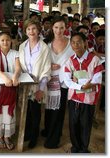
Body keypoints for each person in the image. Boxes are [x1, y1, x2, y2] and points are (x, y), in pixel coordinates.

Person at [64, 32, 104, 153]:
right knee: (73, 123)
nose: (76, 45)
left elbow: (97, 78)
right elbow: (67, 80)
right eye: (73, 43)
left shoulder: (95, 59)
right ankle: (75, 147)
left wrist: (83, 84)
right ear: (71, 44)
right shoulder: (70, 61)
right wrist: (82, 85)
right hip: (74, 98)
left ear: (85, 43)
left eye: (79, 42)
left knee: (85, 124)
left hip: (88, 98)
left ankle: (84, 148)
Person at [18, 19, 51, 149]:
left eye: (34, 29)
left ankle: (34, 136)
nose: (31, 31)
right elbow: (19, 66)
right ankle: (26, 133)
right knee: (25, 111)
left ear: (38, 30)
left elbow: (46, 70)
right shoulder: (22, 46)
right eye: (28, 29)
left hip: (37, 86)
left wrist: (41, 89)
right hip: (25, 85)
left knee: (35, 112)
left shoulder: (44, 48)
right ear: (25, 31)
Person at [42, 16, 73, 149]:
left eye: (61, 27)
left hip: (63, 82)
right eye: (56, 27)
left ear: (65, 28)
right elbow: (40, 61)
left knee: (58, 111)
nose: (59, 30)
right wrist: (49, 65)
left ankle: (53, 140)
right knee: (49, 108)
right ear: (52, 28)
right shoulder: (46, 43)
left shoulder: (72, 43)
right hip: (48, 80)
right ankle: (49, 130)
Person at [0, 32, 21, 150]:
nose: (5, 42)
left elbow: (17, 68)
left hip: (11, 85)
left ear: (11, 41)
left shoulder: (15, 53)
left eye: (7, 40)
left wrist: (15, 77)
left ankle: (7, 136)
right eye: (2, 40)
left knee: (9, 111)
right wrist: (5, 78)